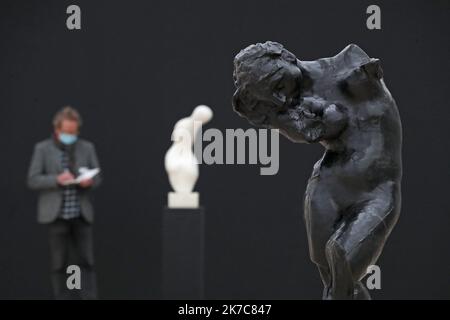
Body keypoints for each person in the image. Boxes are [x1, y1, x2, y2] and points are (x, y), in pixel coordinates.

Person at [232, 42, 402, 299]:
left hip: (377, 191)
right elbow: (315, 130)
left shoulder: (349, 67)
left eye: (278, 85)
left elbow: (337, 120)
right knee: (336, 284)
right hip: (328, 187)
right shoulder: (287, 106)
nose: (281, 98)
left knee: (342, 257)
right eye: (272, 96)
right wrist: (275, 114)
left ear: (287, 57)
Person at [27, 106, 101, 299]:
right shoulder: (42, 149)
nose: (70, 135)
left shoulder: (87, 148)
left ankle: (85, 296)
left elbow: (98, 176)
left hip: (80, 215)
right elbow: (33, 179)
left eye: (74, 132)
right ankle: (64, 297)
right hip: (57, 216)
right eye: (66, 132)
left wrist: (89, 181)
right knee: (60, 263)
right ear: (57, 129)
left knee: (85, 261)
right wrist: (56, 179)